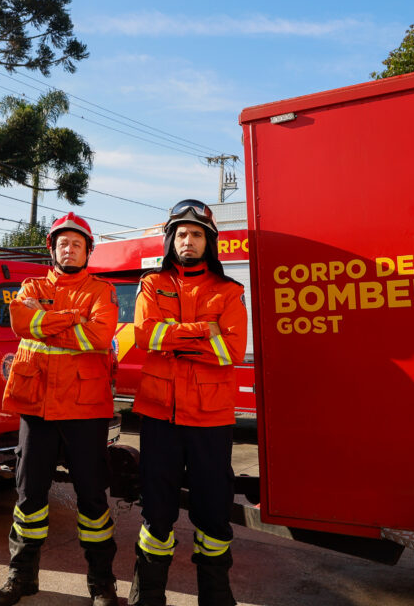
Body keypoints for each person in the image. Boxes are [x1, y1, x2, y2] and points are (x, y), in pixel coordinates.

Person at [0, 213, 120, 606]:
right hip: (38, 408)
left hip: (85, 410)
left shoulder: (102, 290)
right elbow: (20, 324)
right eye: (63, 243)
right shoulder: (29, 286)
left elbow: (99, 334)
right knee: (29, 497)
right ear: (53, 249)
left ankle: (101, 584)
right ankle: (21, 576)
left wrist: (45, 319)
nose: (69, 249)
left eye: (77, 244)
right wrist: (70, 320)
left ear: (88, 250)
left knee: (93, 500)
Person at [128, 200, 248, 606]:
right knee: (156, 511)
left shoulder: (230, 291)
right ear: (170, 240)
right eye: (181, 234)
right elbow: (145, 336)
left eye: (196, 234)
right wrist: (203, 331)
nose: (188, 241)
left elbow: (230, 350)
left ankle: (216, 596)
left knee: (213, 511)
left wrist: (173, 338)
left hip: (211, 419)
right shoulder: (151, 283)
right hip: (159, 414)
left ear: (209, 242)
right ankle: (148, 594)